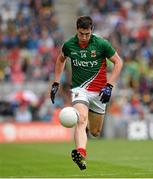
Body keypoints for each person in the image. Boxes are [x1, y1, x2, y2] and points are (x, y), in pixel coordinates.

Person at [50, 16, 123, 170]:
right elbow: (60, 60)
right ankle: (80, 153)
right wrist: (56, 82)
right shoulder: (69, 45)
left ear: (92, 31)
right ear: (77, 30)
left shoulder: (101, 44)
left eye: (87, 34)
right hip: (79, 89)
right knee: (81, 119)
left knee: (95, 132)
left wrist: (110, 85)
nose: (84, 37)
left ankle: (86, 128)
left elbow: (118, 62)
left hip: (100, 91)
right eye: (81, 34)